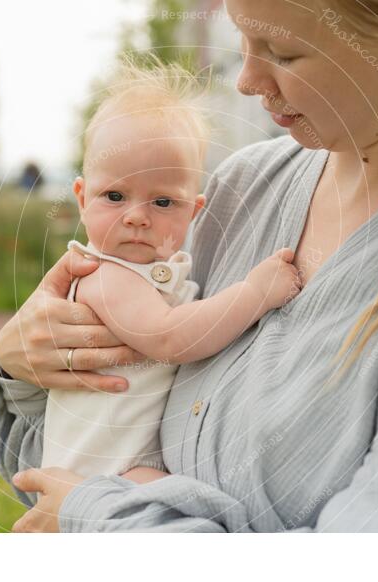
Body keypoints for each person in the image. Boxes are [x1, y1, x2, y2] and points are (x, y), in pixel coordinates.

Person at [0, 0, 378, 532]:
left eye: (282, 52)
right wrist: (29, 370)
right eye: (242, 40)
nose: (246, 81)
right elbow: (54, 481)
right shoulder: (246, 188)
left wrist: (99, 522)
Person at [40, 59, 301, 480]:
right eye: (115, 196)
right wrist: (255, 293)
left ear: (193, 211)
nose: (137, 217)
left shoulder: (153, 268)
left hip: (128, 461)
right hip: (97, 471)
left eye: (163, 202)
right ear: (81, 197)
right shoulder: (102, 276)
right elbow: (170, 336)